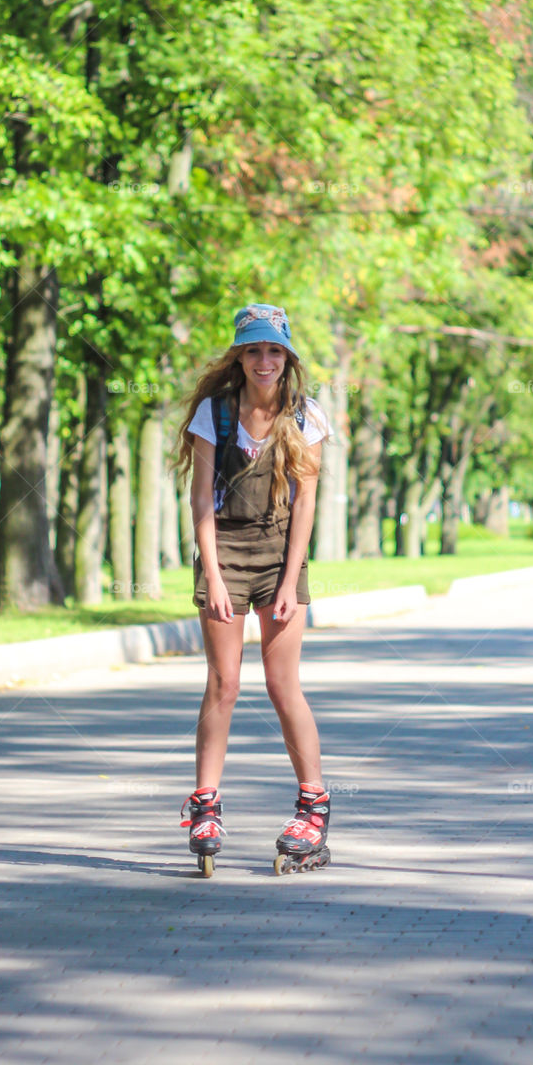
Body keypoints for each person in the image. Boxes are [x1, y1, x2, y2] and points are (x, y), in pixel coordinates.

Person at [175, 303, 334, 876]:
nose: (264, 360)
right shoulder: (212, 415)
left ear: (286, 356)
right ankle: (205, 806)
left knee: (281, 682)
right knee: (223, 683)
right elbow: (199, 503)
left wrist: (290, 582)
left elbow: (306, 506)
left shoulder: (305, 415)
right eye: (253, 349)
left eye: (274, 350)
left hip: (280, 556)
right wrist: (213, 574)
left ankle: (313, 806)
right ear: (239, 357)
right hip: (225, 551)